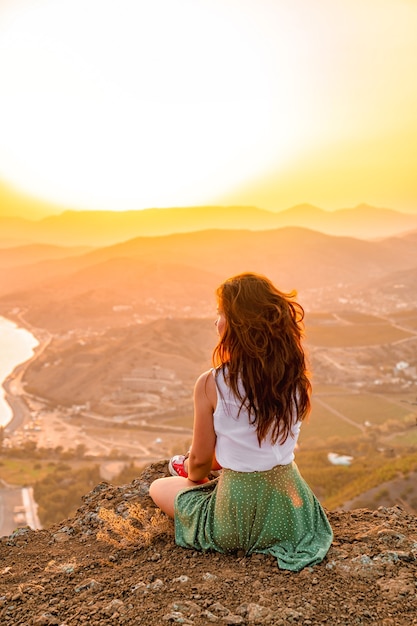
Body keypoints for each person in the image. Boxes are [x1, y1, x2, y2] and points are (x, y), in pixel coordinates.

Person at [149, 272, 333, 571]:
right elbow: (259, 446)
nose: (216, 321)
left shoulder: (211, 383)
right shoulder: (295, 379)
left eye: (221, 313)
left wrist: (197, 478)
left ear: (239, 325)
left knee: (159, 487)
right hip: (290, 510)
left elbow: (198, 465)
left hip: (235, 515)